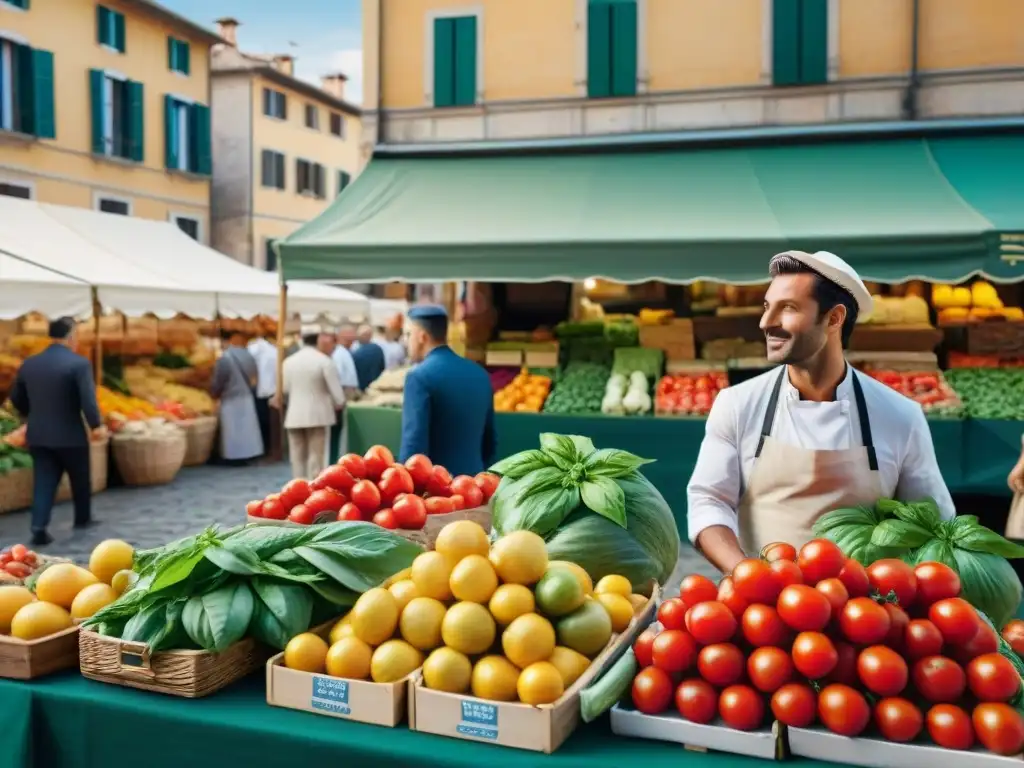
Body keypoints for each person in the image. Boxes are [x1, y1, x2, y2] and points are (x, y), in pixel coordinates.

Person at [687, 250, 955, 573]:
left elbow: (934, 526)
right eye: (767, 307)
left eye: (787, 308)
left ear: (834, 318)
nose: (765, 323)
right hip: (762, 611)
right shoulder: (737, 405)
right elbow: (708, 501)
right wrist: (745, 574)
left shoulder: (900, 416)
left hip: (866, 614)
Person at [10, 318, 105, 546]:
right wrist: (96, 425)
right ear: (71, 335)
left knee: (44, 481)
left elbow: (16, 398)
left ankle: (38, 526)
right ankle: (83, 518)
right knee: (80, 478)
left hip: (39, 434)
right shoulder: (78, 364)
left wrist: (31, 415)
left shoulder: (30, 364)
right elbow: (88, 401)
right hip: (71, 434)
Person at [399, 305, 496, 477]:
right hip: (474, 486)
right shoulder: (480, 374)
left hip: (437, 491)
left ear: (422, 336)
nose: (405, 341)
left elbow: (413, 446)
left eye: (408, 334)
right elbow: (490, 443)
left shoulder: (419, 376)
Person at [282, 327, 346, 479]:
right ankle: (313, 491)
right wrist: (339, 402)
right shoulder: (324, 361)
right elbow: (338, 395)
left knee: (297, 458)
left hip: (294, 415)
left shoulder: (288, 362)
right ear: (318, 339)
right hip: (319, 414)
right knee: (316, 458)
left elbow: (284, 389)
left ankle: (297, 488)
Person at [210, 330, 264, 465]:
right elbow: (254, 375)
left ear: (225, 341)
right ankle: (249, 455)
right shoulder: (248, 355)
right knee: (247, 430)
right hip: (246, 396)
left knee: (232, 431)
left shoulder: (225, 358)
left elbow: (220, 380)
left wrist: (214, 393)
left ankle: (233, 458)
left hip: (230, 397)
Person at [329, 323, 360, 463]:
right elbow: (338, 379)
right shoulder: (339, 354)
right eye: (351, 334)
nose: (354, 337)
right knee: (338, 434)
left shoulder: (344, 352)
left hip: (346, 395)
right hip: (342, 396)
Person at [247, 331, 277, 457]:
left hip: (257, 389)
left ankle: (263, 449)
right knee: (270, 422)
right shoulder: (274, 350)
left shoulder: (253, 348)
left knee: (260, 421)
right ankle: (270, 448)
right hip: (271, 390)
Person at [352, 324, 386, 391]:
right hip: (376, 385)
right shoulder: (378, 349)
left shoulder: (356, 351)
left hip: (361, 385)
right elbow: (382, 367)